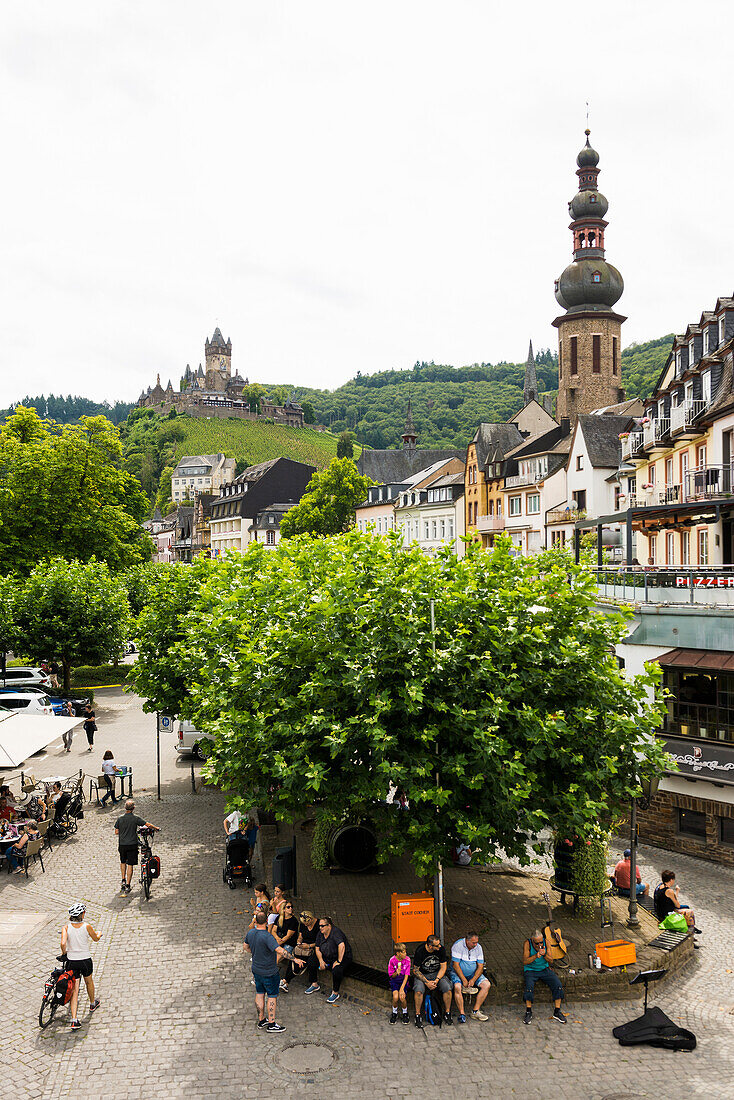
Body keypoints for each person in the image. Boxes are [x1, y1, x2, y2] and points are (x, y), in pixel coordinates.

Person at [244, 909, 288, 1033]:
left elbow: (246, 947)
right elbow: (280, 950)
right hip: (269, 971)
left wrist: (256, 952)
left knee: (259, 993)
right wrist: (295, 959)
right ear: (267, 922)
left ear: (256, 921)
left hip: (256, 970)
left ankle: (261, 1019)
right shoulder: (268, 936)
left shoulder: (251, 933)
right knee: (272, 996)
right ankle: (272, 1023)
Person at [61, 903, 101, 1030]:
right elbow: (95, 939)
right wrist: (99, 933)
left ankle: (74, 1019)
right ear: (82, 914)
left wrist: (64, 953)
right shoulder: (87, 926)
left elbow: (63, 943)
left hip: (72, 961)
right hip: (85, 960)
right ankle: (92, 1003)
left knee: (74, 989)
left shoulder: (66, 927)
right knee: (89, 982)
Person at [301, 916, 352, 1003]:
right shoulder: (321, 933)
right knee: (311, 961)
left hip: (341, 956)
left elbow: (341, 946)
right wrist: (321, 961)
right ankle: (314, 984)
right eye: (319, 926)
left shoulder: (336, 932)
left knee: (337, 970)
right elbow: (317, 948)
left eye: (322, 926)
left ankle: (335, 993)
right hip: (327, 955)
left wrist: (339, 961)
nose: (320, 928)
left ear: (329, 926)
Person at [114, 799, 160, 894]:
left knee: (123, 862)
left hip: (122, 845)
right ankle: (128, 885)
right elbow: (147, 824)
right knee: (130, 864)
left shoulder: (120, 818)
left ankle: (123, 879)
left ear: (125, 808)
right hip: (132, 844)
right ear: (133, 808)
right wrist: (156, 828)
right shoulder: (135, 818)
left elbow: (116, 832)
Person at [523, 928, 566, 1025]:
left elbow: (551, 961)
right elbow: (525, 961)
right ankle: (528, 1011)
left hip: (544, 969)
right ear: (533, 941)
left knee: (557, 984)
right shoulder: (527, 944)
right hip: (531, 970)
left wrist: (544, 954)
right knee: (529, 987)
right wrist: (535, 956)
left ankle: (557, 1011)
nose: (539, 945)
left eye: (540, 942)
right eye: (537, 943)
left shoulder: (546, 943)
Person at [412, 934, 453, 1028]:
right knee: (418, 990)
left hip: (437, 974)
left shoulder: (441, 949)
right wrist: (426, 982)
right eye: (437, 945)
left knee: (447, 988)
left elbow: (443, 967)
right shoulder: (420, 951)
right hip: (423, 975)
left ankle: (447, 1013)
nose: (440, 946)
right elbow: (415, 970)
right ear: (430, 946)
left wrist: (437, 980)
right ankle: (417, 1015)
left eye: (439, 944)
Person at [450, 933, 491, 1022]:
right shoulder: (458, 945)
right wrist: (464, 980)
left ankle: (475, 1011)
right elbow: (456, 965)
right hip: (458, 973)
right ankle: (462, 1013)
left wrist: (473, 980)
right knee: (457, 987)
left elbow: (480, 967)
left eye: (476, 942)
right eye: (473, 943)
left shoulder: (478, 948)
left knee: (486, 985)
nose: (475, 945)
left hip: (472, 973)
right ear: (467, 941)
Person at [281, 910, 319, 989]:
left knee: (300, 963)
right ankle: (286, 982)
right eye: (304, 924)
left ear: (311, 919)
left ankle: (285, 980)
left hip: (313, 948)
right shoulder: (303, 924)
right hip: (303, 947)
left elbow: (320, 942)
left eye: (307, 924)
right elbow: (300, 936)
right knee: (293, 960)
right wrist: (299, 942)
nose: (305, 925)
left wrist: (309, 946)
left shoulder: (318, 925)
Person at [271, 900, 299, 991]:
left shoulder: (294, 921)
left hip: (289, 943)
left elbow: (288, 936)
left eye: (291, 907)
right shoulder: (279, 918)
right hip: (280, 941)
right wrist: (277, 938)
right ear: (283, 910)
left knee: (277, 958)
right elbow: (273, 931)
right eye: (288, 907)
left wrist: (279, 942)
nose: (291, 908)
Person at [388, 942, 411, 1024]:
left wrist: (402, 989)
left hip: (403, 982)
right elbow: (391, 976)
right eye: (403, 952)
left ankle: (405, 1013)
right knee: (395, 997)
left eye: (405, 952)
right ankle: (394, 1013)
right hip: (395, 981)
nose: (405, 954)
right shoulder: (392, 960)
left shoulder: (407, 960)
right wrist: (396, 973)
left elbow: (407, 975)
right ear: (398, 953)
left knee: (402, 997)